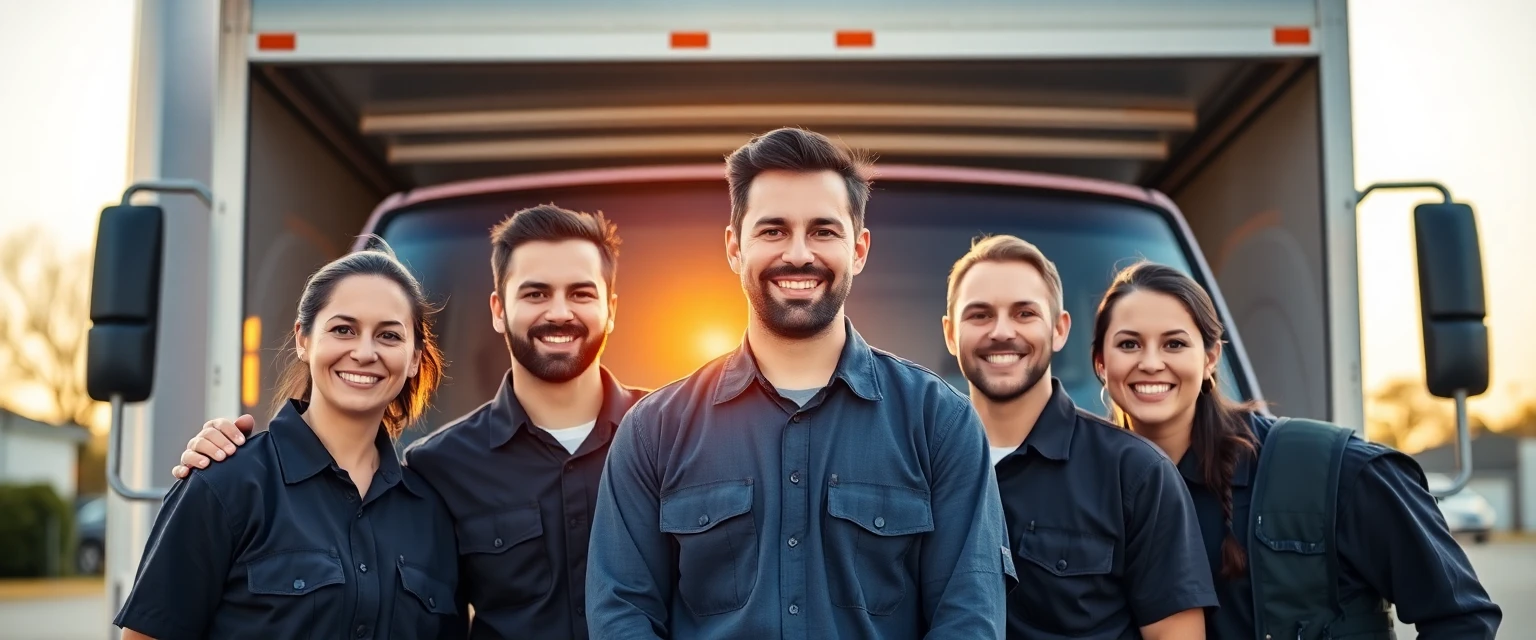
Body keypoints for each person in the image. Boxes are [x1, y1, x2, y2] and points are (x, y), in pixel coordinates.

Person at [585, 127, 1015, 639]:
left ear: (858, 249)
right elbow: (622, 616)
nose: (798, 254)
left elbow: (969, 619)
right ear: (733, 248)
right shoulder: (653, 433)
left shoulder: (940, 423)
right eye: (772, 231)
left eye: (822, 231)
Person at [170, 205, 648, 640]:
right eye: (536, 293)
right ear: (499, 311)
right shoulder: (437, 470)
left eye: (580, 293)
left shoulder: (671, 438)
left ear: (612, 309)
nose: (559, 312)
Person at [1089, 260, 1502, 639]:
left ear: (1211, 357)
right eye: (1128, 345)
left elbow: (1462, 620)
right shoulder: (1078, 487)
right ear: (1101, 364)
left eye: (1175, 344)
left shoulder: (1333, 472)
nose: (1150, 362)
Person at [114, 240, 461, 639]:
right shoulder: (224, 484)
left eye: (388, 336)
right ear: (303, 339)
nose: (365, 352)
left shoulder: (432, 515)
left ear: (415, 356)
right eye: (343, 329)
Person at [941, 234, 1216, 639]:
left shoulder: (1137, 474)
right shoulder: (917, 465)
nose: (1001, 332)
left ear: (1059, 330)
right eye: (980, 315)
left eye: (1024, 314)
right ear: (950, 334)